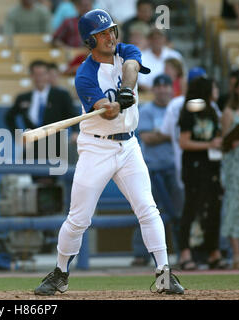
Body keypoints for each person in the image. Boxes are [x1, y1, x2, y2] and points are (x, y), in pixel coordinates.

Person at [34, 9, 184, 296]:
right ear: (89, 41)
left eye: (111, 31)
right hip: (96, 147)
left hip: (129, 146)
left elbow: (131, 67)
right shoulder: (84, 75)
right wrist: (108, 107)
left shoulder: (126, 50)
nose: (110, 37)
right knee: (79, 218)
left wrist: (126, 91)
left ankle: (164, 273)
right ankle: (60, 272)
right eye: (102, 34)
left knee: (147, 208)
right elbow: (103, 112)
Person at [178, 77, 228, 271]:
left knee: (214, 208)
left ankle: (213, 252)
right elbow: (184, 142)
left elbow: (215, 137)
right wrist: (209, 144)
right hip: (194, 167)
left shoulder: (213, 112)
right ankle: (185, 253)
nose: (216, 90)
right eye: (214, 87)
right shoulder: (190, 111)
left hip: (212, 166)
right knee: (192, 208)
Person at [133, 74, 183, 266]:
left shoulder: (176, 108)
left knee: (178, 213)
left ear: (172, 88)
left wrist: (161, 134)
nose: (162, 89)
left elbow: (166, 136)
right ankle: (140, 254)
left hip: (174, 168)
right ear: (153, 89)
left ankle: (181, 252)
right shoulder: (146, 110)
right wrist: (170, 134)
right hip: (151, 169)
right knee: (146, 211)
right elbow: (147, 138)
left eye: (166, 86)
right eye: (159, 86)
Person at [5, 59, 78, 164]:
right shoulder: (23, 98)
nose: (39, 78)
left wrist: (75, 132)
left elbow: (72, 114)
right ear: (31, 76)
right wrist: (18, 136)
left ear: (48, 75)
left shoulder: (61, 96)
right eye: (36, 74)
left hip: (56, 146)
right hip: (32, 148)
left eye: (42, 74)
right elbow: (9, 117)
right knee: (31, 177)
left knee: (54, 177)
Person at [159, 67, 210, 191]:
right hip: (193, 158)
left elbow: (165, 132)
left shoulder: (176, 103)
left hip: (191, 159)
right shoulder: (207, 104)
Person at [220, 77, 239, 269]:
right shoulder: (229, 112)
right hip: (235, 166)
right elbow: (224, 144)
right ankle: (236, 255)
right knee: (234, 207)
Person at [138, 27, 184, 92]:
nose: (157, 40)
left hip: (174, 96)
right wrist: (159, 93)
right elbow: (141, 83)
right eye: (154, 38)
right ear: (149, 40)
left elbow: (182, 78)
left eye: (160, 37)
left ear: (165, 39)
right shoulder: (141, 57)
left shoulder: (175, 56)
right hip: (148, 95)